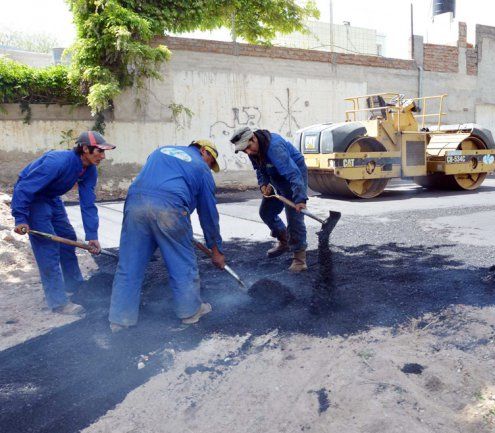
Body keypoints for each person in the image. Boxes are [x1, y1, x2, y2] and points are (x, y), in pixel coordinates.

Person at [108, 140, 225, 331]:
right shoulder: (202, 169)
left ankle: (120, 318)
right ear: (204, 151)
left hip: (135, 204)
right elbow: (208, 214)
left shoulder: (160, 151)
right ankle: (190, 312)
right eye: (211, 161)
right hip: (169, 208)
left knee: (130, 262)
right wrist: (216, 250)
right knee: (181, 261)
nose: (209, 166)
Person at [11, 131, 116, 314]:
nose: (103, 156)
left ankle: (75, 286)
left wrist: (92, 235)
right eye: (99, 151)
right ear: (85, 149)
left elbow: (88, 203)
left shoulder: (89, 169)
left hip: (52, 197)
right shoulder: (58, 161)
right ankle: (58, 302)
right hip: (35, 199)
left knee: (68, 237)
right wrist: (20, 217)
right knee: (48, 247)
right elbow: (24, 188)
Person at [230, 126, 309, 272]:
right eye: (244, 150)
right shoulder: (252, 150)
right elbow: (259, 170)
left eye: (248, 147)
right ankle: (284, 240)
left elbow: (293, 173)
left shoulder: (274, 147)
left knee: (294, 217)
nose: (248, 152)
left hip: (294, 176)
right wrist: (263, 184)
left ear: (253, 138)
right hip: (275, 176)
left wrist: (299, 199)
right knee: (266, 212)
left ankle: (299, 259)